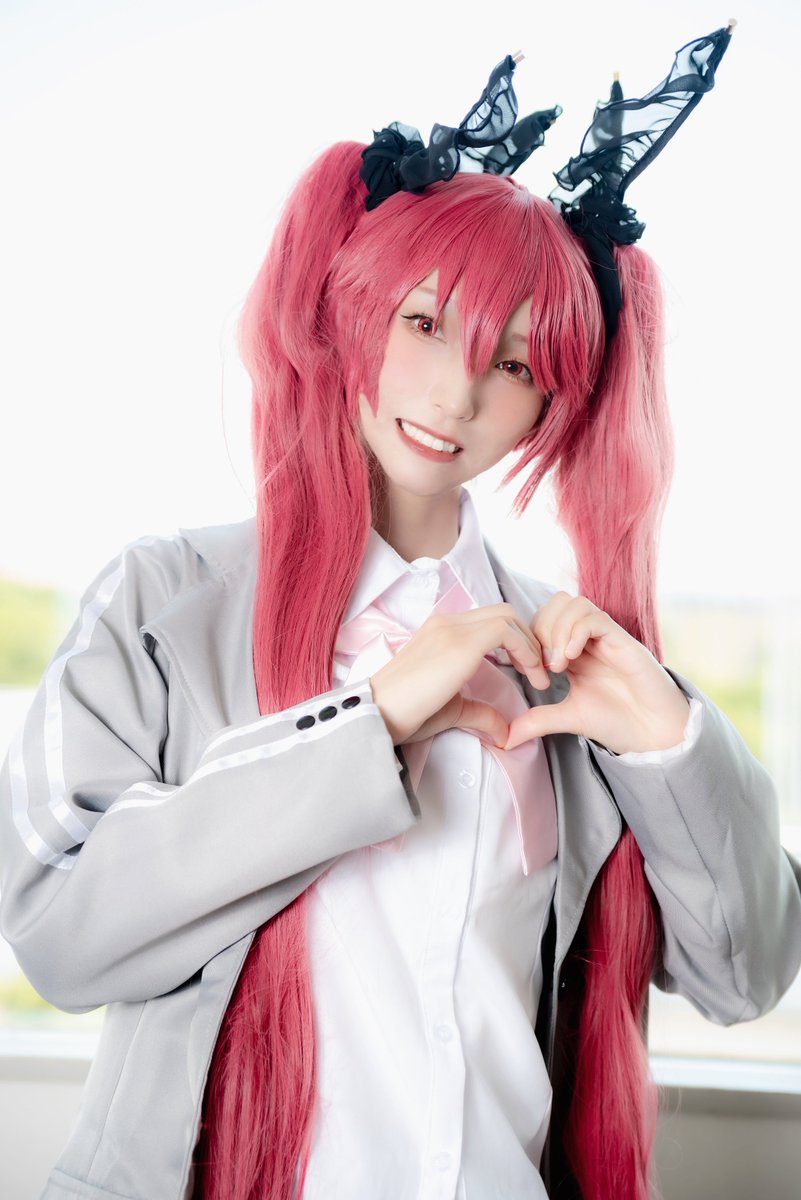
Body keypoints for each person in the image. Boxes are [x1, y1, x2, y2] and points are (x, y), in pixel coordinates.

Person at [2, 25, 800, 1200]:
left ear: (554, 402)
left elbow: (746, 978)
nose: (457, 393)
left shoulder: (570, 660)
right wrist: (367, 724)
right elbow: (62, 936)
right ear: (351, 313)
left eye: (516, 365)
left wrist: (676, 741)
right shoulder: (166, 600)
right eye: (425, 323)